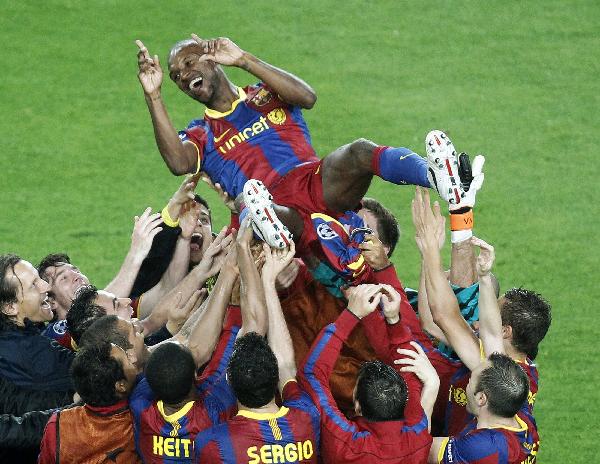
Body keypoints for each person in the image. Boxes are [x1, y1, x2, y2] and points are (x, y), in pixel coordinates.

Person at [135, 35, 469, 281]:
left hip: (315, 181)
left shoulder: (263, 94)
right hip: (275, 204)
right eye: (177, 75)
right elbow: (179, 163)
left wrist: (243, 59)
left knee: (360, 151)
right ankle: (273, 231)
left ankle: (438, 175)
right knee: (253, 200)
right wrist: (154, 95)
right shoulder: (201, 133)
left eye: (189, 63)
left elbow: (307, 97)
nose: (183, 77)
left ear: (211, 57)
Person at [410, 187, 550, 438]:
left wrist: (430, 249)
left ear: (505, 331)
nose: (479, 321)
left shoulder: (490, 368)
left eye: (492, 314)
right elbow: (432, 323)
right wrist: (483, 277)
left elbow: (441, 317)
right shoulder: (521, 369)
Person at [194, 241, 320, 463]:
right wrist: (268, 282)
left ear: (229, 381)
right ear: (276, 382)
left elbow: (284, 368)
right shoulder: (306, 419)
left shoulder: (212, 443)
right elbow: (286, 367)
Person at [299, 284, 439, 463]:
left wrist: (351, 315)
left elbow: (312, 374)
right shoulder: (418, 437)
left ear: (357, 406)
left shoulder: (346, 443)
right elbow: (408, 370)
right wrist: (393, 319)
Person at [38, 342, 141, 463]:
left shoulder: (58, 424)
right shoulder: (141, 416)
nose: (133, 359)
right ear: (121, 385)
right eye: (128, 359)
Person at [428, 354, 539, 464]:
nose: (466, 385)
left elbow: (421, 448)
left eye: (470, 381)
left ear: (481, 398)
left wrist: (430, 385)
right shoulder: (522, 415)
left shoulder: (484, 447)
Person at [0, 255, 75, 409]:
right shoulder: (30, 350)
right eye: (34, 285)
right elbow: (98, 372)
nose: (46, 286)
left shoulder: (12, 337)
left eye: (38, 277)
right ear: (10, 308)